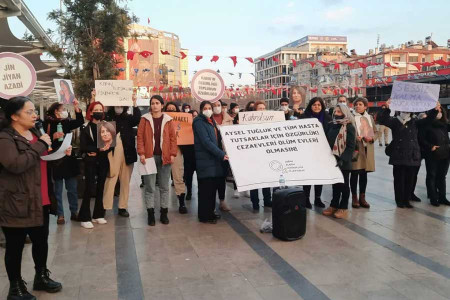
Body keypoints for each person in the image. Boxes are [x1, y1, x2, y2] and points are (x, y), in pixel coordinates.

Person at [0, 97, 62, 299]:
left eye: (35, 110)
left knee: (41, 241)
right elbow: (16, 164)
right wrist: (40, 146)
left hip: (40, 196)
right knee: (15, 247)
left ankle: (41, 276)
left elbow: (41, 158)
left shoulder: (36, 133)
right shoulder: (5, 138)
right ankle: (15, 288)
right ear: (14, 116)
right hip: (17, 201)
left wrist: (60, 152)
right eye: (29, 111)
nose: (35, 115)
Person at [378, 99, 438, 208]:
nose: (406, 111)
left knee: (410, 179)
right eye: (404, 109)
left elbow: (428, 120)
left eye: (408, 109)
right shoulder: (395, 121)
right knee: (399, 179)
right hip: (398, 154)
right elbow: (382, 120)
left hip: (412, 154)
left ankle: (406, 200)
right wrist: (386, 108)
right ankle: (399, 200)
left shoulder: (415, 122)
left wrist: (435, 110)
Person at [137, 95, 177, 226]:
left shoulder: (168, 120)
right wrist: (141, 153)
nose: (154, 105)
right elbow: (140, 137)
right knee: (150, 187)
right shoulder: (144, 119)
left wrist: (172, 154)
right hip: (149, 157)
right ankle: (150, 214)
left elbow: (172, 138)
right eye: (152, 103)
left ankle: (164, 213)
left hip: (165, 157)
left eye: (157, 103)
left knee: (164, 187)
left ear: (162, 105)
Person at [44, 100, 84, 225]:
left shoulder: (66, 122)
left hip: (68, 159)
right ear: (56, 111)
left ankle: (74, 212)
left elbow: (80, 122)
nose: (64, 111)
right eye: (62, 109)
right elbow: (43, 140)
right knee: (58, 190)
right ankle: (60, 214)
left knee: (72, 188)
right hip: (56, 160)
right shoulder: (47, 123)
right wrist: (52, 137)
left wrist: (76, 108)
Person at [103, 95, 141, 218]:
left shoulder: (128, 118)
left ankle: (122, 207)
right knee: (111, 177)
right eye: (116, 105)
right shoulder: (107, 117)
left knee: (125, 180)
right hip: (112, 151)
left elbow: (137, 119)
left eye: (120, 105)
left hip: (128, 152)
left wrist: (134, 103)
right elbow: (96, 117)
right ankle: (105, 206)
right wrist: (95, 99)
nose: (118, 107)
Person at [193, 101, 228, 223]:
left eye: (209, 108)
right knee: (205, 190)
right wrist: (221, 154)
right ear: (201, 110)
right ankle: (204, 216)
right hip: (205, 160)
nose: (208, 110)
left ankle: (211, 212)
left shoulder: (211, 121)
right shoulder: (198, 122)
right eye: (205, 108)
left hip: (213, 161)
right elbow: (206, 142)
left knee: (212, 189)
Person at [78, 101, 110, 229]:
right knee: (89, 188)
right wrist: (97, 150)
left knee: (101, 187)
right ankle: (84, 217)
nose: (98, 111)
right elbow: (83, 146)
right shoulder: (85, 127)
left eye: (100, 109)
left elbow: (110, 143)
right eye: (95, 109)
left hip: (103, 161)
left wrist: (107, 147)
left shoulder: (106, 126)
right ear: (91, 112)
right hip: (90, 162)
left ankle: (98, 215)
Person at [323, 104, 356, 219]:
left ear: (345, 113)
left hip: (344, 161)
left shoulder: (349, 127)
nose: (336, 114)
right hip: (333, 160)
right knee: (335, 184)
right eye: (335, 111)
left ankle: (344, 207)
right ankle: (334, 205)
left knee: (344, 185)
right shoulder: (332, 125)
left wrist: (343, 159)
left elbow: (351, 146)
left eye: (339, 112)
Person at [300, 97, 331, 208]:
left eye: (319, 105)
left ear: (322, 106)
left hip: (322, 151)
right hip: (308, 151)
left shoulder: (327, 117)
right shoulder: (304, 117)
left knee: (320, 175)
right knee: (308, 175)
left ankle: (317, 198)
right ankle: (306, 198)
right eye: (314, 105)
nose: (317, 107)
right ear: (310, 106)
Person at [350, 97, 378, 209]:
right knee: (354, 173)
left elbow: (376, 132)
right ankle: (354, 197)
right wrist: (354, 137)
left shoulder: (369, 117)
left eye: (360, 104)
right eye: (356, 104)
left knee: (363, 175)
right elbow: (347, 132)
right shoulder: (351, 117)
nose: (357, 106)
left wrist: (372, 138)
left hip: (367, 149)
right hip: (357, 149)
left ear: (365, 106)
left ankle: (363, 197)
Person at [420, 104, 450, 206]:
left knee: (442, 176)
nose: (439, 112)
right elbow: (421, 139)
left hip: (445, 154)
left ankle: (442, 197)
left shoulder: (444, 124)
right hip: (432, 154)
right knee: (432, 176)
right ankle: (433, 198)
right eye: (437, 110)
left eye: (440, 110)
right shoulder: (427, 124)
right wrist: (430, 146)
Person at [163, 101, 188, 214]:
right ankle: (162, 205)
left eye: (173, 109)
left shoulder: (181, 121)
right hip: (162, 149)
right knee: (162, 178)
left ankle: (181, 202)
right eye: (169, 109)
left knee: (178, 176)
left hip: (177, 149)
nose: (171, 110)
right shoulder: (160, 119)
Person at [249, 101, 273, 210]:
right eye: (260, 108)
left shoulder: (269, 123)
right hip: (254, 156)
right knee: (254, 180)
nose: (262, 110)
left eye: (264, 108)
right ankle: (255, 202)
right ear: (255, 110)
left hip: (266, 154)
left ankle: (267, 200)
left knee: (266, 178)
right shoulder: (249, 123)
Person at [212, 100, 233, 211]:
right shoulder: (208, 119)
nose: (217, 107)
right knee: (212, 178)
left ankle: (222, 200)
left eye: (218, 105)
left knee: (222, 178)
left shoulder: (229, 119)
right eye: (214, 106)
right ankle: (211, 202)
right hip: (211, 153)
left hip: (225, 153)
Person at [180, 109, 198, 201]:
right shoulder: (184, 129)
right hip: (188, 156)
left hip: (199, 156)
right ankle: (189, 191)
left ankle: (200, 191)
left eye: (195, 115)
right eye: (192, 116)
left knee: (200, 176)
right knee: (188, 176)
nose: (194, 117)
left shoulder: (200, 127)